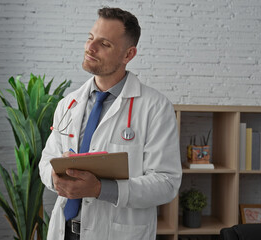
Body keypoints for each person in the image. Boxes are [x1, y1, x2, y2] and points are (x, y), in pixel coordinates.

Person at [39, 7, 182, 240]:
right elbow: (47, 160)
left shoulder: (155, 107)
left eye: (104, 44)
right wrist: (54, 178)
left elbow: (166, 183)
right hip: (65, 232)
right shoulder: (68, 104)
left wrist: (99, 189)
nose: (90, 48)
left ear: (128, 54)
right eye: (90, 38)